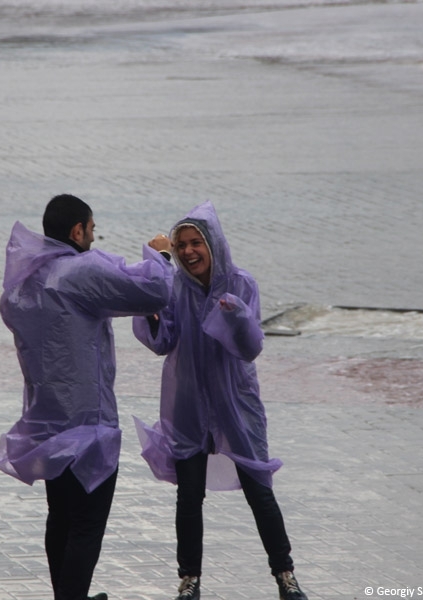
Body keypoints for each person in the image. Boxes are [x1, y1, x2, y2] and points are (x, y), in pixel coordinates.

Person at [0, 194, 173, 600]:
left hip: (47, 425)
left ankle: (66, 595)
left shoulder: (25, 283)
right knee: (87, 526)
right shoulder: (81, 272)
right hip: (90, 429)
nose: (93, 238)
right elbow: (153, 291)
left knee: (60, 517)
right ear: (77, 231)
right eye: (92, 229)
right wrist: (161, 255)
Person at [132, 201, 308, 600]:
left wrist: (238, 316)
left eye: (196, 243)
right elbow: (160, 342)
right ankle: (189, 580)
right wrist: (155, 276)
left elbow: (250, 348)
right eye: (181, 246)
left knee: (259, 489)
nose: (189, 252)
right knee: (189, 494)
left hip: (235, 403)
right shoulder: (174, 286)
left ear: (213, 244)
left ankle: (285, 575)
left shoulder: (241, 284)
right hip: (188, 401)